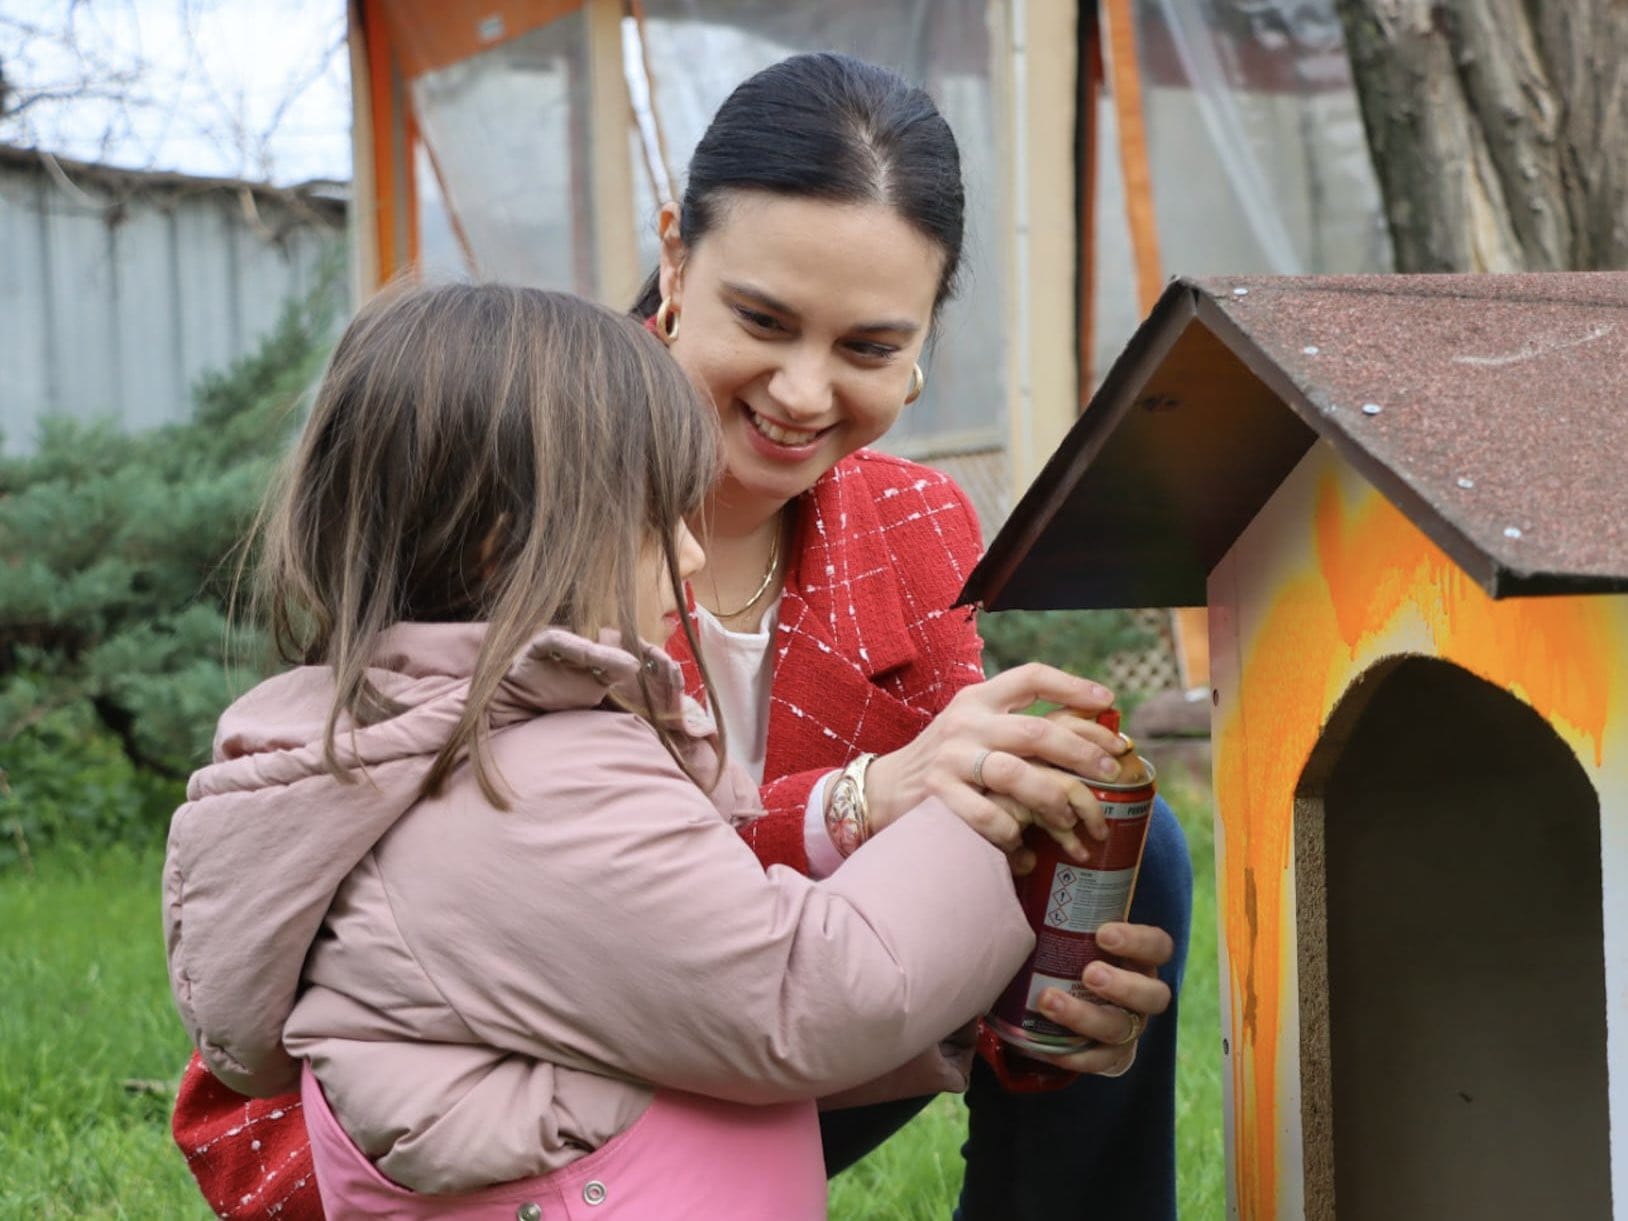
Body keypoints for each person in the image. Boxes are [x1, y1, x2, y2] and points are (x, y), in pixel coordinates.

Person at [169, 52, 1190, 1219]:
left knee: (1099, 830)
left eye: (865, 348)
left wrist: (1045, 982)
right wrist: (858, 804)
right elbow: (607, 898)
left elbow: (848, 929)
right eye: (762, 319)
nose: (802, 392)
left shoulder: (913, 523)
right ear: (673, 256)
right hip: (473, 1100)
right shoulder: (501, 460)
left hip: (740, 1025)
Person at [164, 282, 1053, 1218]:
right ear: (507, 547)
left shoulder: (415, 747)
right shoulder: (522, 782)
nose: (693, 554)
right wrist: (977, 811)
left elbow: (678, 1005)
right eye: (657, 520)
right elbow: (807, 996)